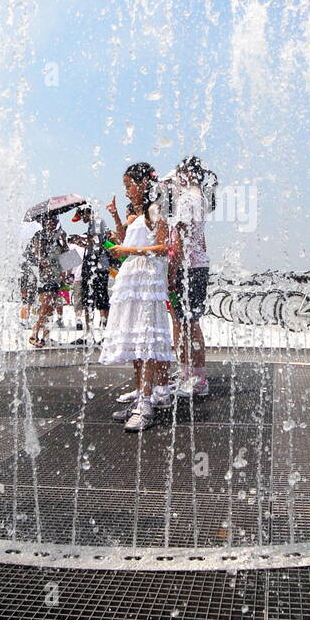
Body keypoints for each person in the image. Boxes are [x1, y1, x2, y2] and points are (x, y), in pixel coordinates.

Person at [101, 163, 173, 432]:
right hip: (131, 278)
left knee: (146, 339)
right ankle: (139, 396)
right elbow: (125, 240)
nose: (127, 191)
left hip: (146, 279)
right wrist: (118, 221)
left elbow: (164, 247)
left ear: (143, 184)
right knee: (134, 338)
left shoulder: (156, 210)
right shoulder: (137, 216)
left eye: (129, 185)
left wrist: (129, 249)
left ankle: (146, 403)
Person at [165, 156, 216, 397]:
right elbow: (201, 240)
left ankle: (199, 379)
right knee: (186, 322)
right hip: (198, 266)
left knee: (190, 323)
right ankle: (189, 374)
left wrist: (172, 272)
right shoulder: (200, 199)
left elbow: (180, 240)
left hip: (188, 268)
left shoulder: (185, 200)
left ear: (185, 173)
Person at [24, 214, 68, 347]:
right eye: (50, 221)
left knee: (52, 306)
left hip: (56, 276)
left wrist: (64, 240)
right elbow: (38, 255)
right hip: (43, 276)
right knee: (45, 304)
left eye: (55, 220)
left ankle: (46, 337)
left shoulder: (59, 236)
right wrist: (43, 257)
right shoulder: (39, 235)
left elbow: (68, 258)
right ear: (44, 222)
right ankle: (34, 333)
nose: (53, 223)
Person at [69, 204, 112, 339]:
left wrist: (80, 239)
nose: (82, 219)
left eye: (82, 216)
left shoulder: (97, 221)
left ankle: (105, 329)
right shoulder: (93, 223)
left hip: (99, 265)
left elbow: (95, 240)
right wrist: (82, 241)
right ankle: (89, 331)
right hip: (92, 264)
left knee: (101, 298)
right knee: (88, 298)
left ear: (86, 213)